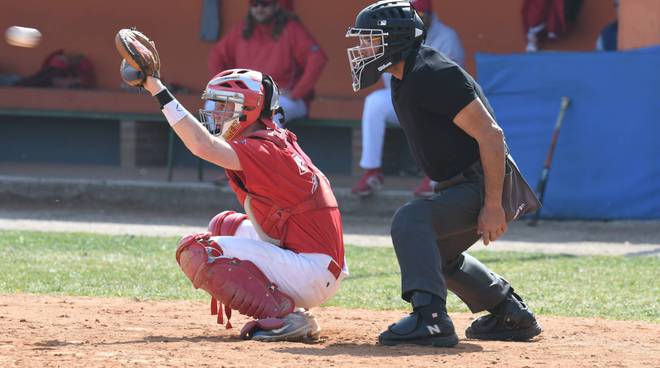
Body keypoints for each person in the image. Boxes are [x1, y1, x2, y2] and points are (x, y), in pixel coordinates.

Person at [346, 1, 542, 347]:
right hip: (462, 182)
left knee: (410, 220)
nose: (362, 48)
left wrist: (493, 205)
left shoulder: (433, 73)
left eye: (370, 40)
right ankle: (510, 314)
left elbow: (492, 136)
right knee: (435, 255)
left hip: (484, 180)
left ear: (395, 39)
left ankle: (430, 318)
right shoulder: (403, 76)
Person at [126, 55, 346, 341]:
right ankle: (289, 312)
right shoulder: (270, 139)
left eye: (224, 105)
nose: (215, 113)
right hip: (316, 262)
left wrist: (156, 87)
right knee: (223, 224)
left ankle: (287, 318)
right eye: (215, 104)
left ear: (250, 109)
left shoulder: (265, 149)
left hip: (311, 270)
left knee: (198, 250)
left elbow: (202, 145)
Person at [352, 0, 466, 198]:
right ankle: (372, 172)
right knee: (374, 102)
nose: (419, 19)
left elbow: (448, 83)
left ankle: (437, 176)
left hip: (437, 101)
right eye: (414, 15)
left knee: (434, 108)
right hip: (404, 95)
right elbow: (388, 77)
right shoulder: (397, 33)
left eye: (422, 15)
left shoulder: (447, 37)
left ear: (431, 14)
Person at [207, 0, 327, 125]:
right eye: (255, 4)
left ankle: (264, 145)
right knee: (212, 106)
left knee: (267, 114)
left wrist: (296, 92)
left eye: (265, 4)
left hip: (284, 97)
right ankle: (221, 145)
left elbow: (318, 59)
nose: (259, 8)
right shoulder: (242, 29)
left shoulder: (291, 29)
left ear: (276, 6)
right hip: (248, 95)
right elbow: (216, 56)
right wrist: (225, 87)